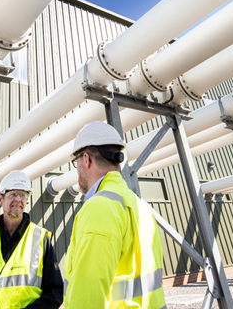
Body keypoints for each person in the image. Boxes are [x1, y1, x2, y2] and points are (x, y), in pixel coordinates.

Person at [63, 121, 166, 308]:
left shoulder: (100, 207)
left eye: (75, 162)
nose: (77, 169)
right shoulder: (139, 206)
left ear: (86, 159)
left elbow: (88, 296)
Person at [0, 170, 64, 309]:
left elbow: (55, 293)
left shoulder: (41, 239)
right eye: (13, 194)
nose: (18, 199)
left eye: (23, 194)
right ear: (0, 199)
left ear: (27, 199)